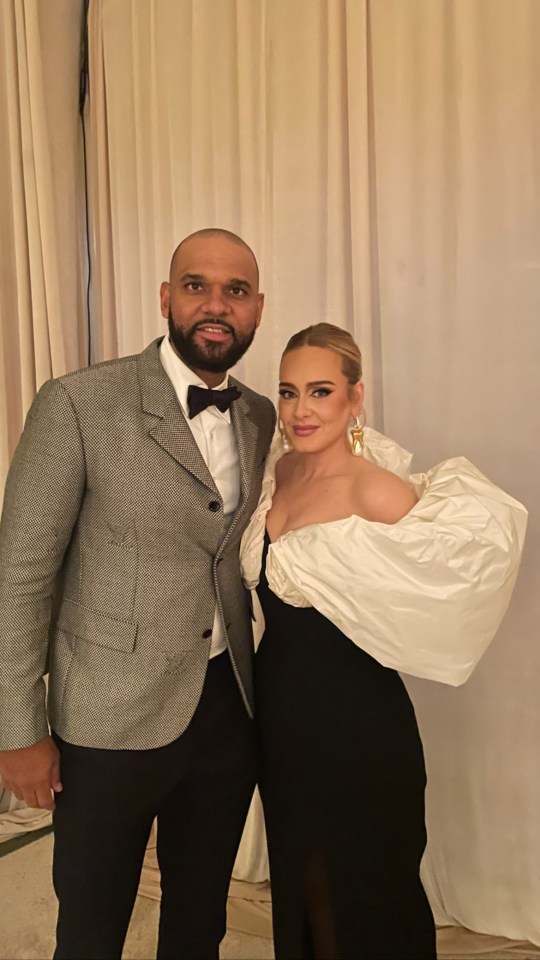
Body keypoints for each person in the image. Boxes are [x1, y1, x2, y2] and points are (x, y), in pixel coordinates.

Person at [0, 228, 276, 960]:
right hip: (106, 720)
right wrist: (18, 730)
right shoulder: (78, 404)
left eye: (235, 291)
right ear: (166, 297)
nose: (216, 305)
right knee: (90, 926)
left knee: (199, 919)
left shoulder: (259, 415)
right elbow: (20, 575)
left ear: (255, 310)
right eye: (196, 285)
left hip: (225, 708)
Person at [240, 322, 527, 960]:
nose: (300, 410)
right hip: (282, 724)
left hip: (361, 729)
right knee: (302, 874)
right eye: (288, 393)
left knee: (365, 887)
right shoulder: (277, 473)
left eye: (320, 392)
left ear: (355, 398)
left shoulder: (374, 488)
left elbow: (457, 570)